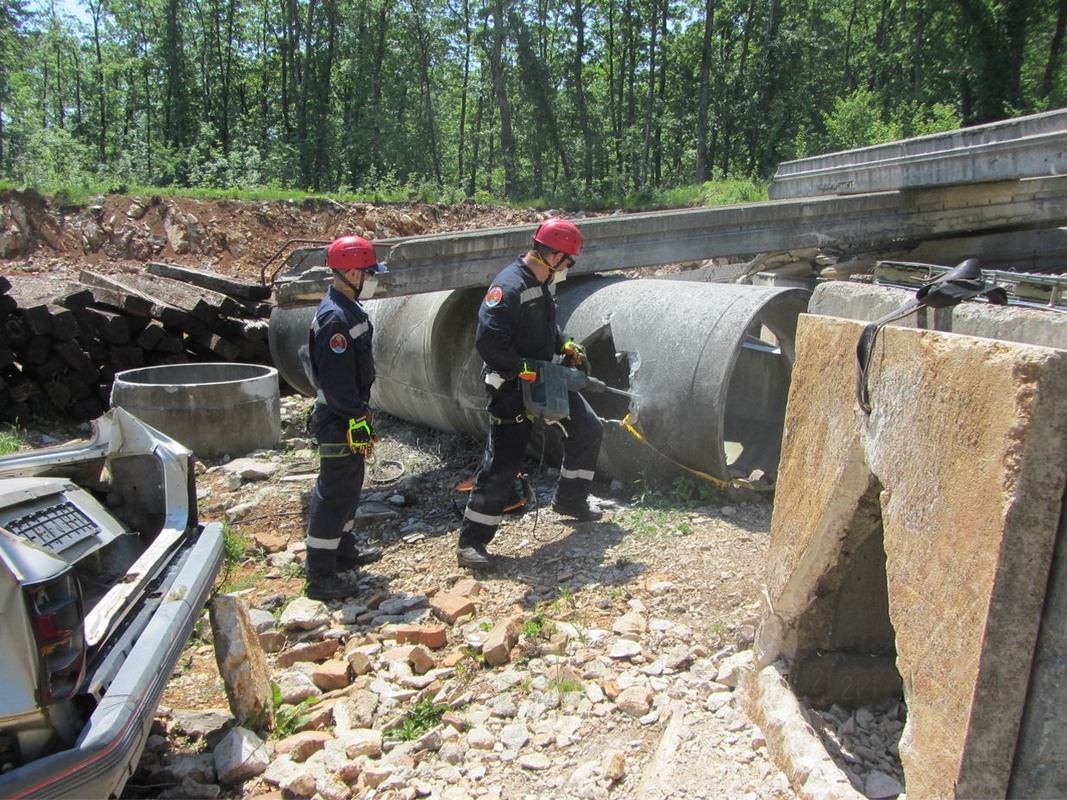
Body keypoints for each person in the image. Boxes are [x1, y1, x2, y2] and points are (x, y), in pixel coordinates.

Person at [456, 217, 605, 570]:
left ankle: (571, 502)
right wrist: (523, 369)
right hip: (510, 385)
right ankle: (471, 542)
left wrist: (564, 343)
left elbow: (547, 326)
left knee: (588, 428)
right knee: (504, 461)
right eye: (569, 260)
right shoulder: (507, 288)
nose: (569, 266)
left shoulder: (543, 282)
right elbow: (488, 342)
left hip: (543, 377)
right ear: (553, 256)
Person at [303, 235, 388, 600]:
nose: (373, 278)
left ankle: (343, 549)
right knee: (334, 490)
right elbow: (337, 382)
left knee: (350, 484)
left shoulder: (347, 307)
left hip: (348, 414)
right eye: (369, 272)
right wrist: (356, 416)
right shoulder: (336, 318)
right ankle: (320, 574)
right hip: (338, 416)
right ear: (352, 271)